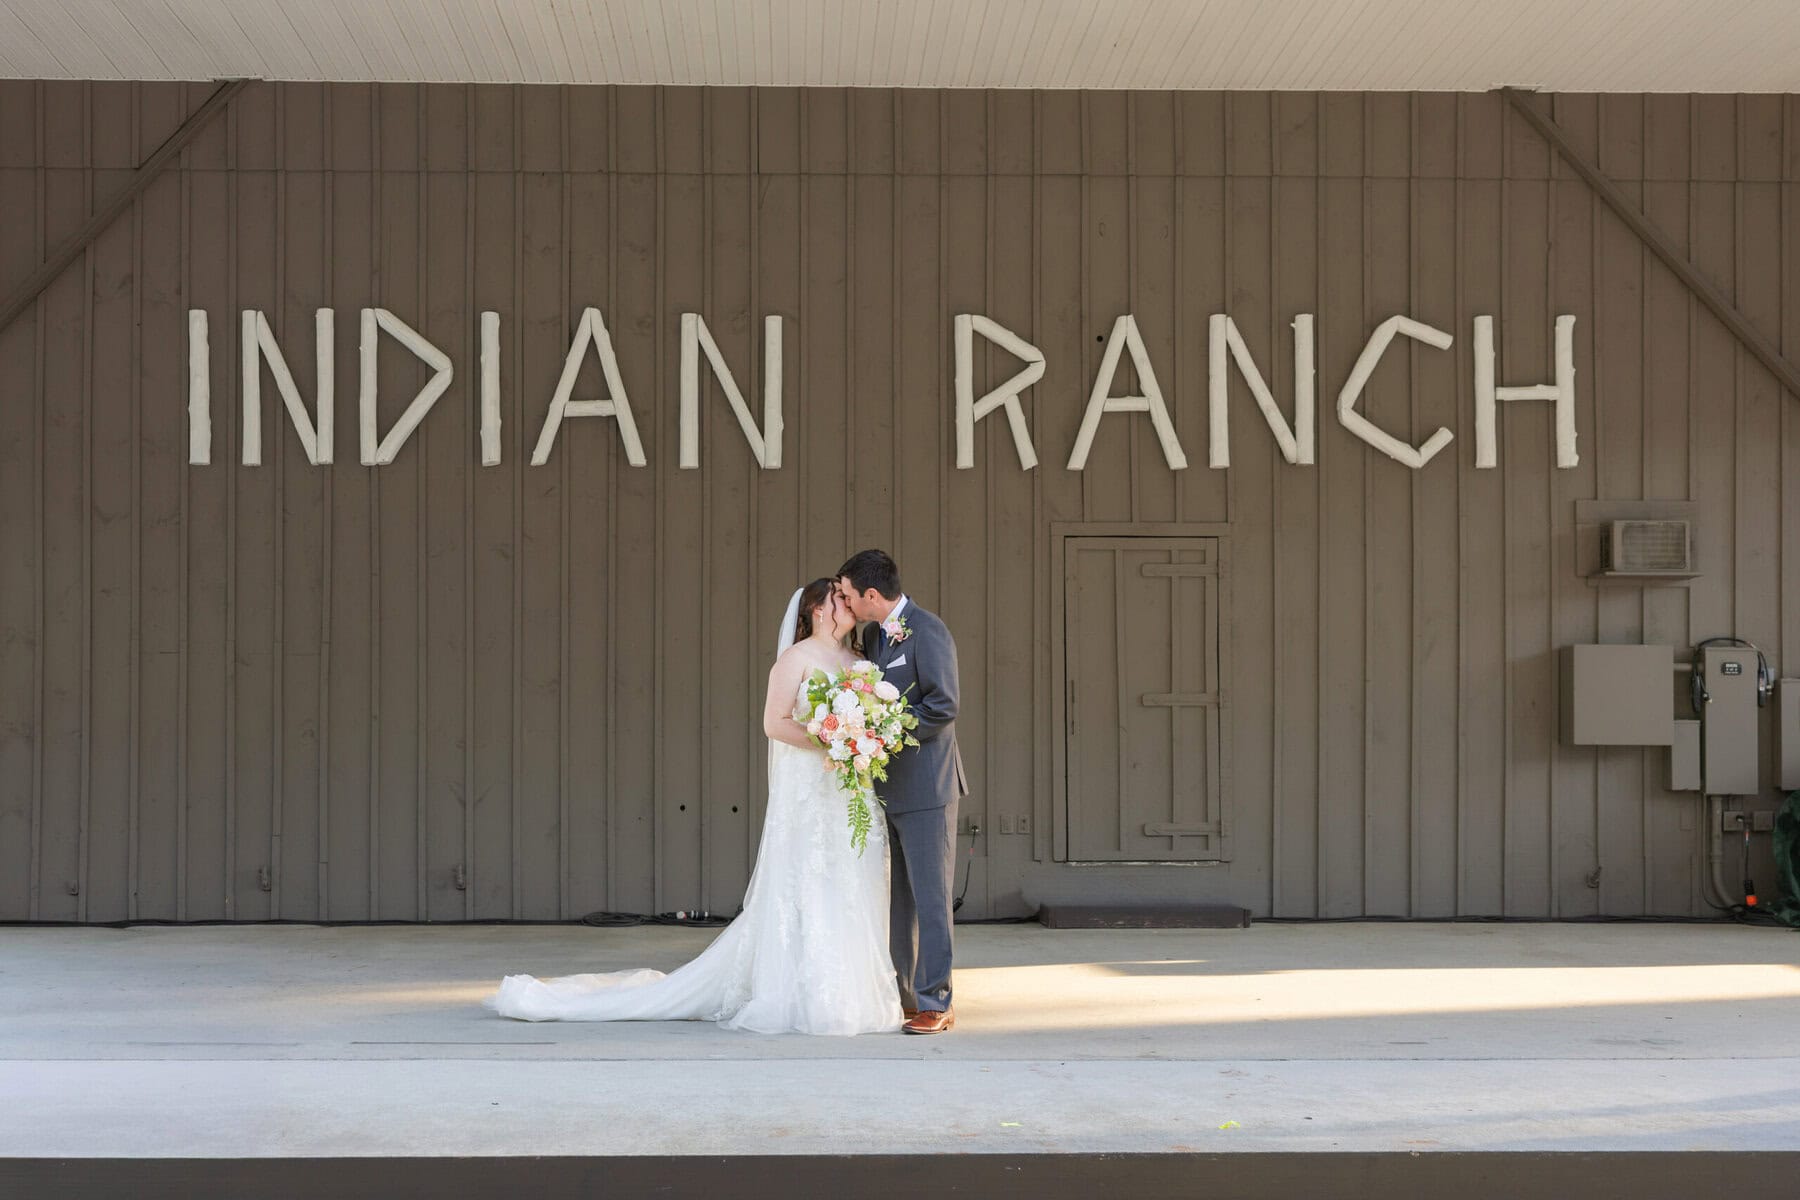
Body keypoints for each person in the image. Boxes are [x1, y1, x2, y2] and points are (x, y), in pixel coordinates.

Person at [481, 578, 904, 1035]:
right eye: (838, 599)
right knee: (809, 883)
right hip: (811, 790)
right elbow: (774, 724)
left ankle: (854, 990)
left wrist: (862, 740)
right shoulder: (795, 660)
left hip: (851, 792)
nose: (847, 605)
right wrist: (833, 742)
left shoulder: (859, 660)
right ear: (817, 610)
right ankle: (804, 993)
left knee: (852, 882)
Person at [836, 549, 968, 1035]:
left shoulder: (928, 631)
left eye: (849, 594)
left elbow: (943, 704)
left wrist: (884, 732)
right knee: (900, 900)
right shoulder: (873, 636)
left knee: (932, 899)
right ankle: (906, 996)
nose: (846, 602)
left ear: (872, 595)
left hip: (929, 787)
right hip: (887, 787)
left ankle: (938, 1001)